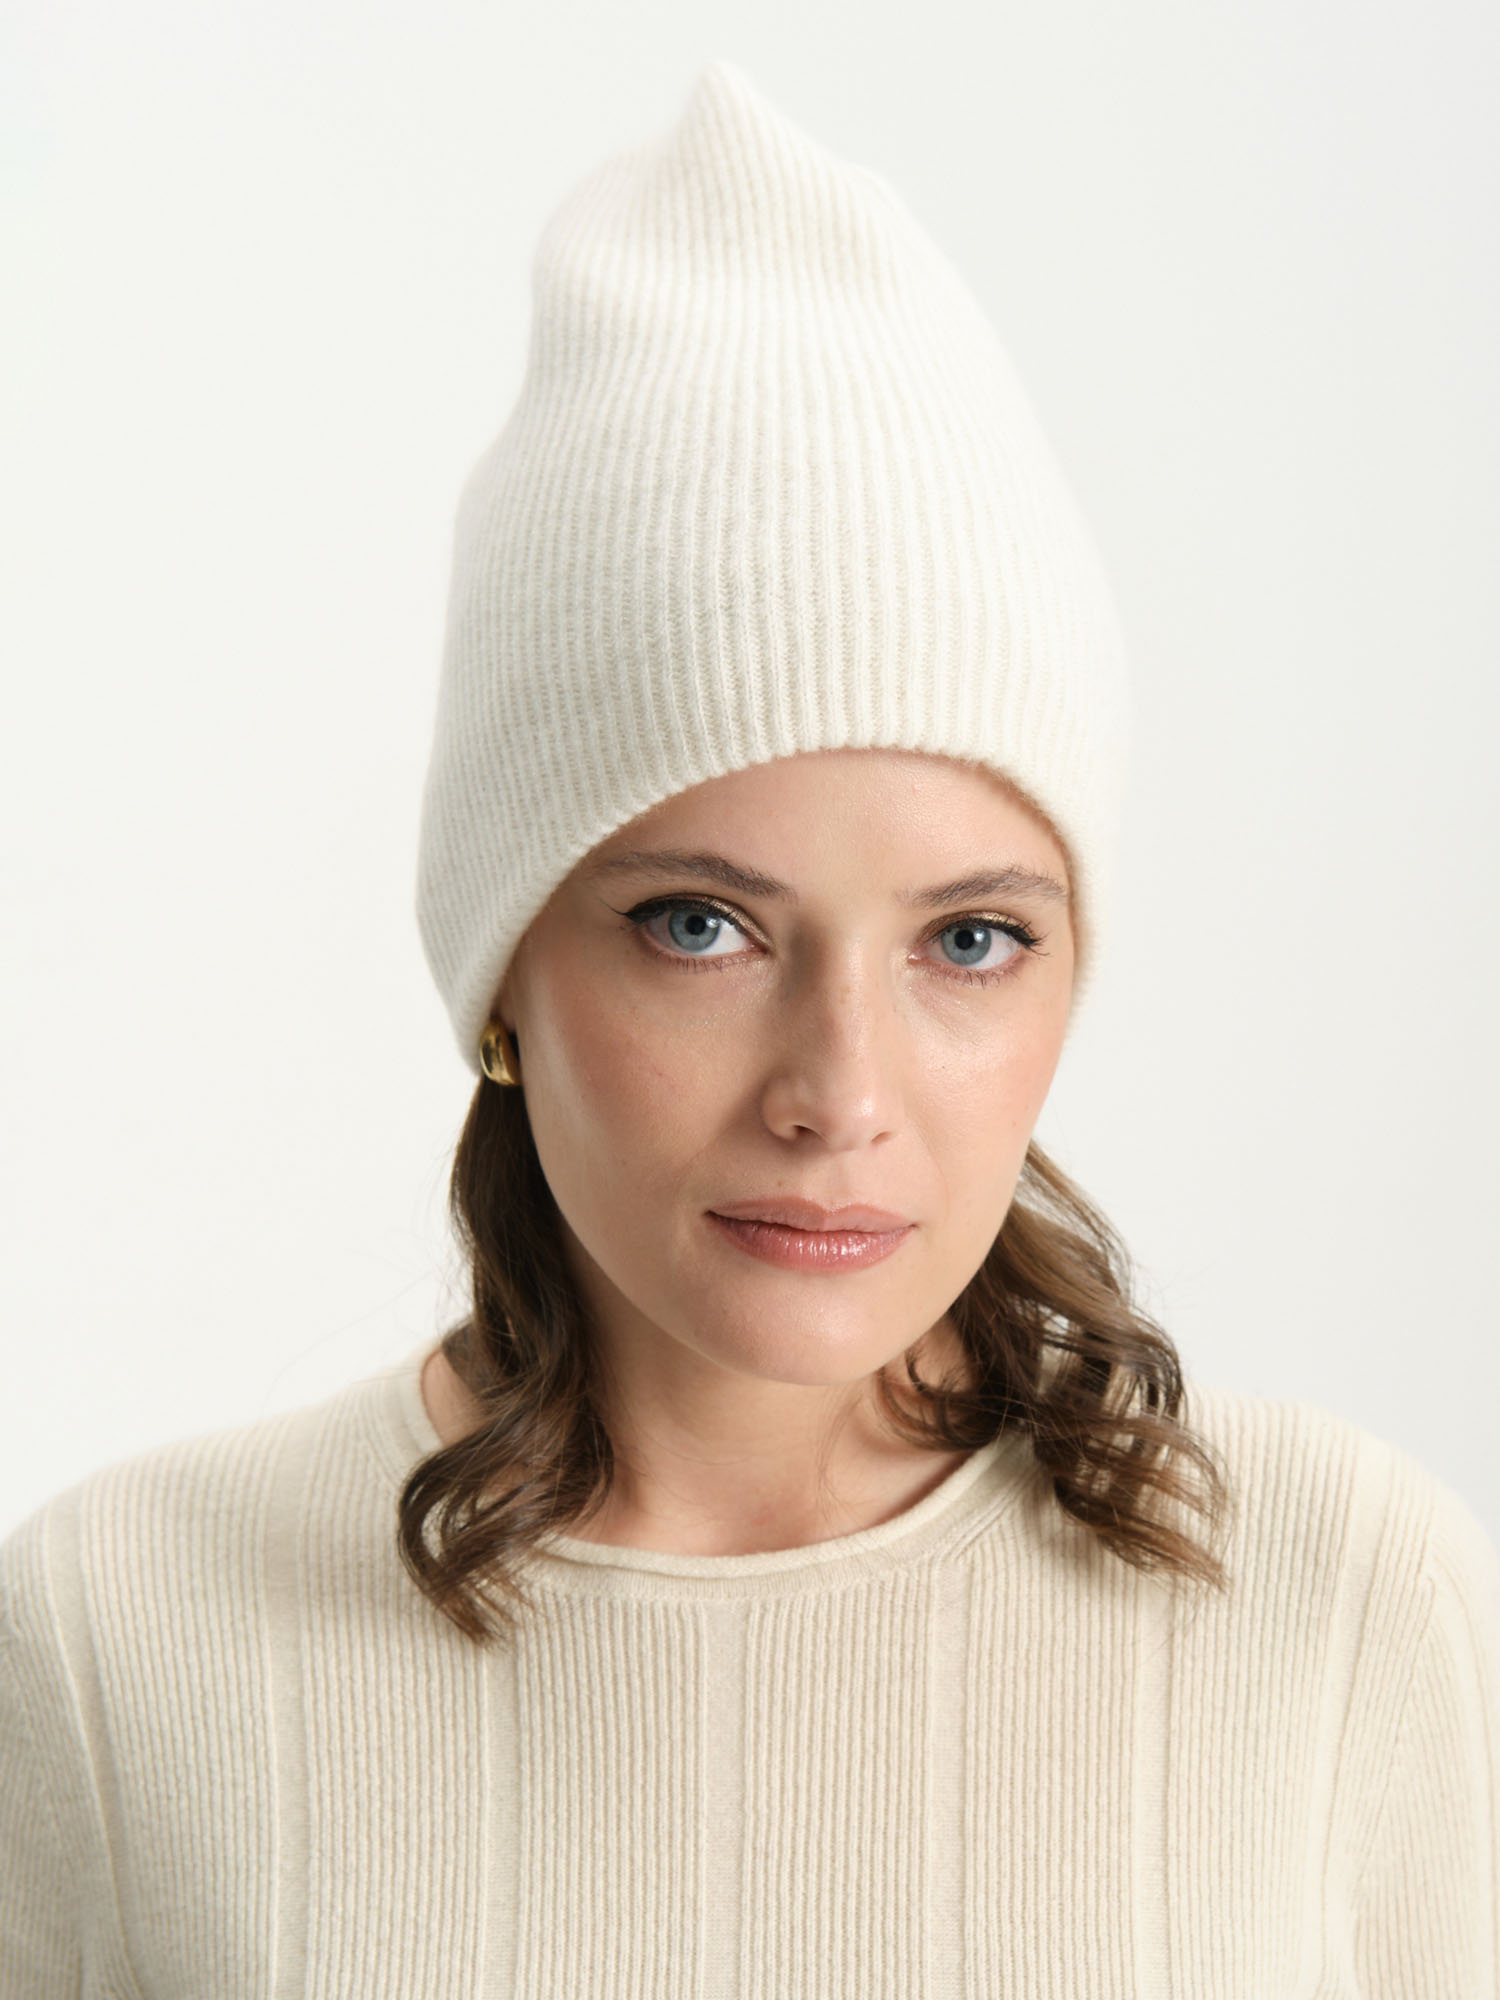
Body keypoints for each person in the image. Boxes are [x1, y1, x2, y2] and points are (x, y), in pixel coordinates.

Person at [3, 57, 1497, 1997]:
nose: (841, 1095)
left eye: (971, 939)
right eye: (701, 926)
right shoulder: (118, 1647)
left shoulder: (1349, 1612)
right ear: (502, 971)